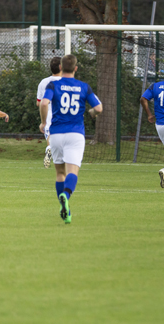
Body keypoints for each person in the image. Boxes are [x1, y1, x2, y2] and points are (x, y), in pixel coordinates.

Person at [39, 54, 102, 224]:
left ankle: (64, 208)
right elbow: (99, 107)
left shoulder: (53, 84)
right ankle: (65, 196)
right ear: (75, 68)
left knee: (60, 172)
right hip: (75, 134)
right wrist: (92, 113)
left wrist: (44, 122)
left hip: (56, 134)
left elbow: (44, 104)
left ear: (61, 67)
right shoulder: (84, 86)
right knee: (72, 172)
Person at [36, 57, 62, 168]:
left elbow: (40, 103)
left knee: (50, 137)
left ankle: (49, 149)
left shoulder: (44, 82)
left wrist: (43, 121)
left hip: (49, 114)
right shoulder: (68, 82)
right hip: (64, 114)